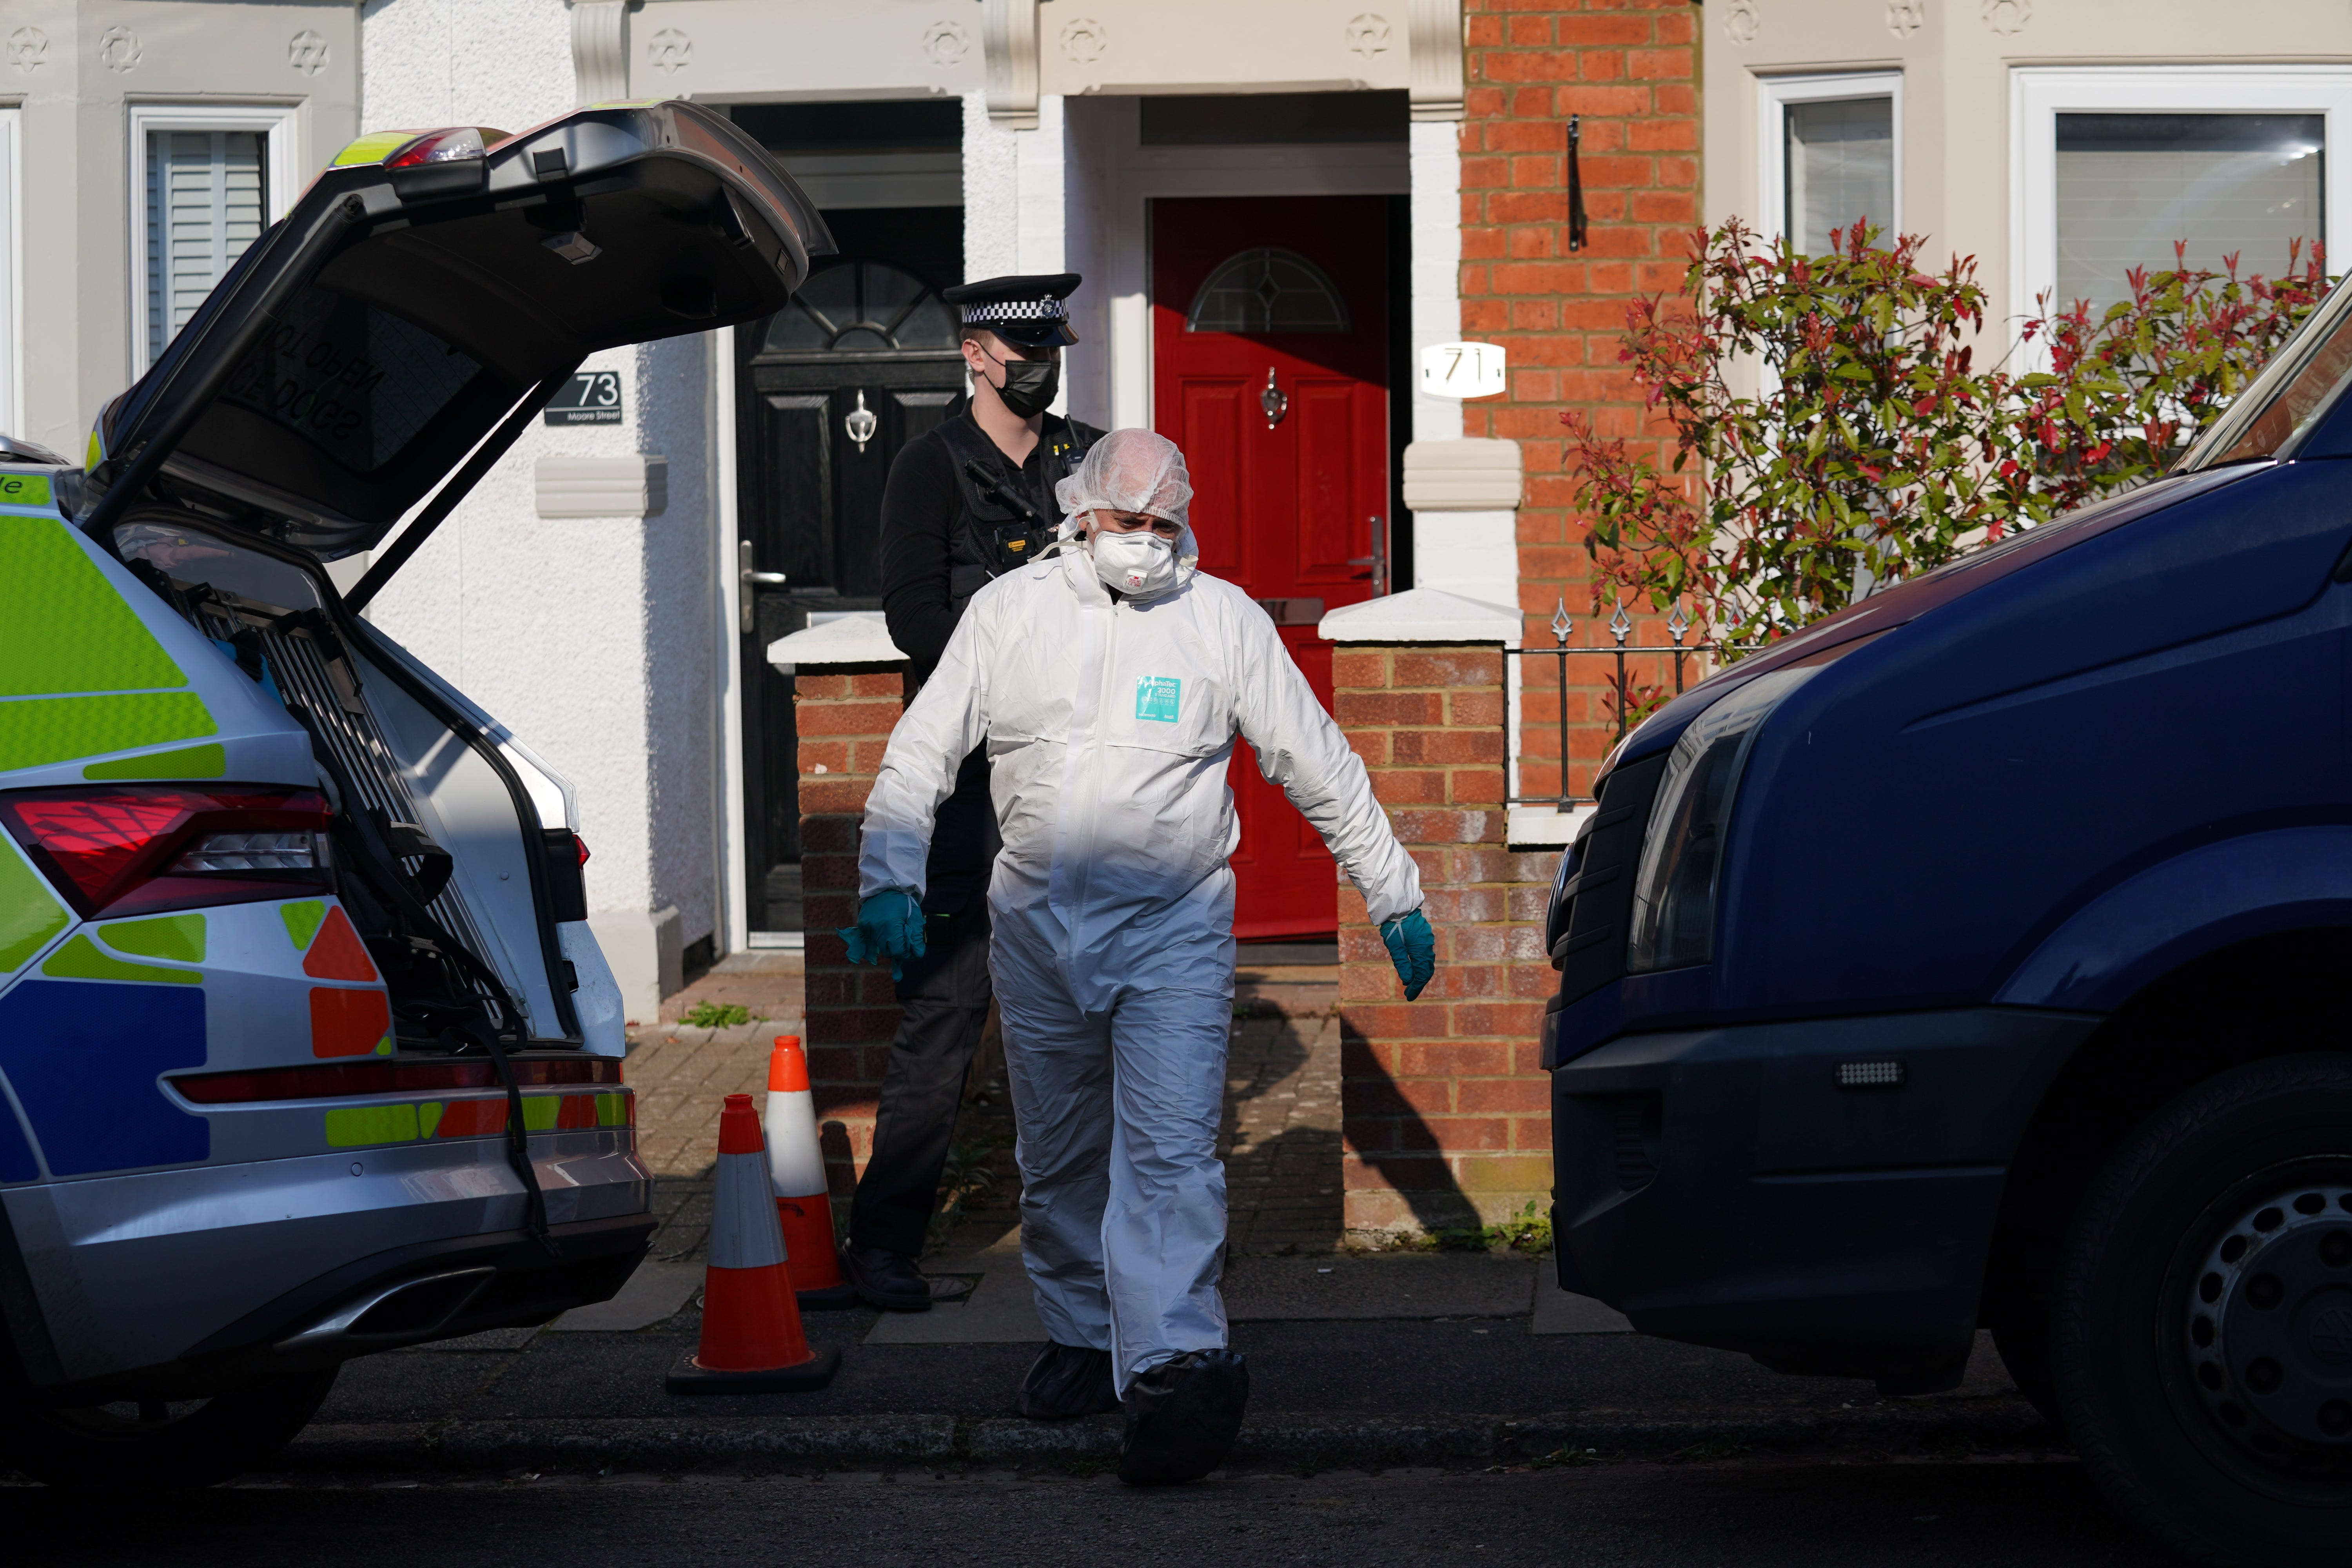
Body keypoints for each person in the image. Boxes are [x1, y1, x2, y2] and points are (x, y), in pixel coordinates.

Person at [841, 429, 1437, 1485]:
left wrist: (1391, 888)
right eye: (1128, 522)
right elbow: (922, 750)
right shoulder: (1009, 614)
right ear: (1082, 515)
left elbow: (1316, 759)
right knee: (1061, 1156)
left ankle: (1173, 1369)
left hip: (1173, 928)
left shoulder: (1221, 624)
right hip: (1035, 926)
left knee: (1168, 1156)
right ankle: (1081, 1337)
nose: (1147, 544)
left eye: (1166, 524)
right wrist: (890, 873)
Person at [840, 273, 1103, 1313]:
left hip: (1075, 782)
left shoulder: (1089, 459)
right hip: (969, 782)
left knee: (1097, 1009)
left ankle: (1115, 1234)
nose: (1038, 365)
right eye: (1020, 348)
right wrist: (1030, 630)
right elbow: (913, 619)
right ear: (976, 354)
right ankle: (885, 1244)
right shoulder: (929, 467)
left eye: (1051, 347)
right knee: (945, 1013)